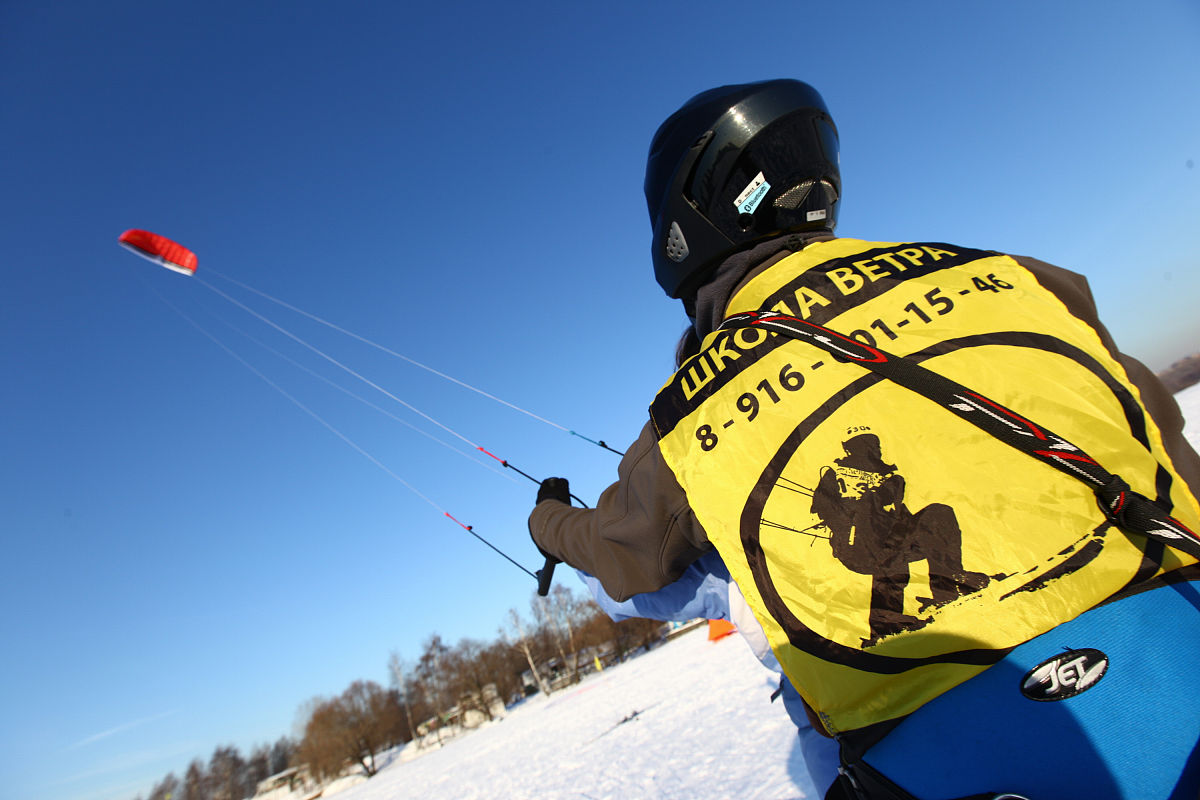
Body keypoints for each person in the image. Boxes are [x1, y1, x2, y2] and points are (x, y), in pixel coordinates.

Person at [530, 79, 1200, 799]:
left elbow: (621, 560)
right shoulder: (1013, 278)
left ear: (682, 226)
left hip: (938, 753)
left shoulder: (690, 411)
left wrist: (547, 520)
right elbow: (1158, 437)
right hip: (1173, 650)